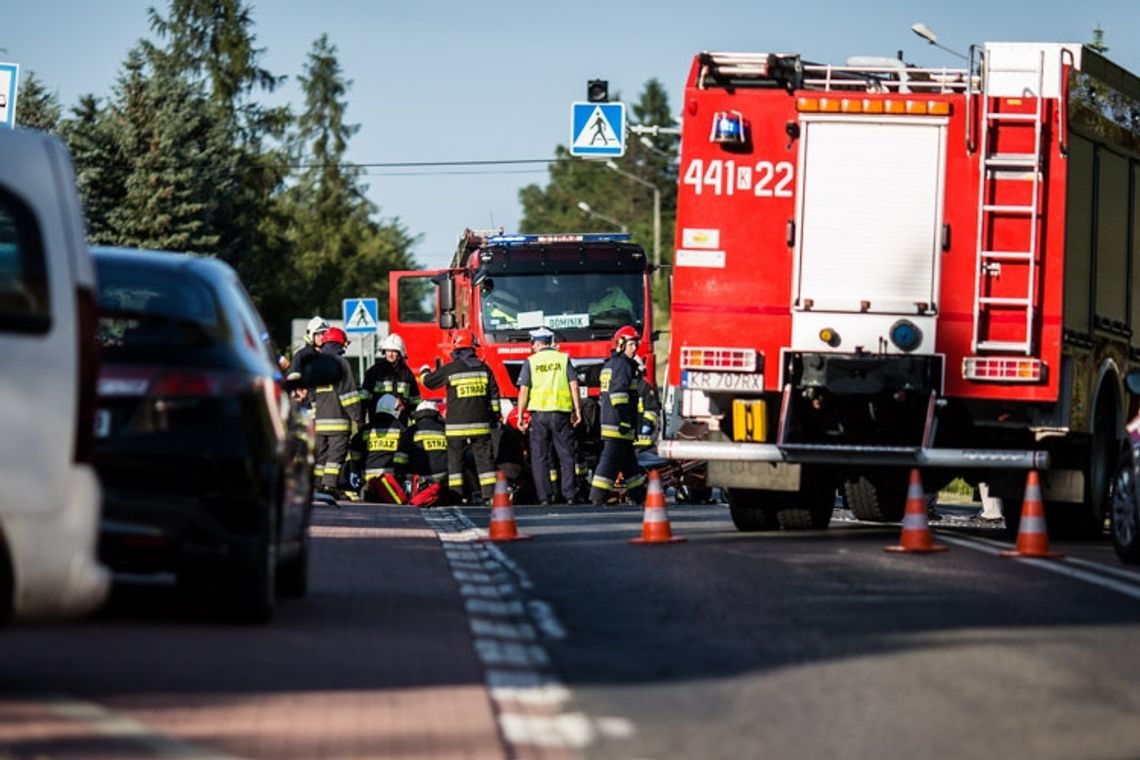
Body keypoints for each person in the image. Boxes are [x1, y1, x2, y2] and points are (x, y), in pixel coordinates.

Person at [419, 329, 501, 504]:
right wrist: (495, 416)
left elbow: (428, 382)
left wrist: (424, 370)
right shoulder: (484, 369)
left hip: (456, 426)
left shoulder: (451, 368)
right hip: (481, 424)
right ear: (473, 347)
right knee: (485, 461)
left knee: (455, 463)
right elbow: (494, 395)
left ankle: (456, 496)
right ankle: (490, 496)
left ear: (456, 347)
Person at [516, 327, 583, 505]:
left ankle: (544, 497)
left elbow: (524, 391)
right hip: (561, 413)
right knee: (566, 455)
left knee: (539, 457)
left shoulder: (531, 362)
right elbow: (574, 385)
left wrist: (520, 416)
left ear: (538, 343)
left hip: (539, 415)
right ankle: (569, 495)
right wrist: (577, 411)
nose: (532, 347)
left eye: (533, 344)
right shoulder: (563, 359)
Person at [589, 325, 647, 505]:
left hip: (615, 422)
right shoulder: (622, 365)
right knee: (609, 462)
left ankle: (640, 496)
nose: (635, 348)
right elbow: (619, 395)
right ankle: (597, 496)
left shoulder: (612, 364)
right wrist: (624, 421)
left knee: (630, 465)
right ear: (621, 344)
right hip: (617, 424)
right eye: (631, 344)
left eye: (636, 343)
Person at [312, 326, 364, 501]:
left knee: (320, 456)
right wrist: (359, 418)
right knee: (335, 457)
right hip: (338, 421)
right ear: (341, 343)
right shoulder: (340, 363)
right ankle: (329, 487)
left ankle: (317, 485)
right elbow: (348, 394)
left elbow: (311, 395)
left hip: (319, 422)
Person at [351, 393, 409, 504]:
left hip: (367, 478)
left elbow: (355, 453)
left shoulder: (366, 429)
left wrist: (354, 470)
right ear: (393, 409)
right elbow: (404, 457)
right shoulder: (400, 429)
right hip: (391, 481)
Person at [360, 333, 421, 425]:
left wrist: (405, 406)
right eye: (388, 351)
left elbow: (414, 402)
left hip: (400, 422)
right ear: (384, 352)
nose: (390, 354)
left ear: (400, 353)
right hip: (377, 422)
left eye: (394, 351)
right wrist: (361, 423)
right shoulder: (375, 372)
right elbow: (363, 400)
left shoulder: (407, 374)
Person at [403, 399, 449, 505]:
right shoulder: (445, 429)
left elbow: (400, 459)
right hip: (444, 478)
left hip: (420, 480)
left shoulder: (411, 430)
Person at [634, 356, 661, 449]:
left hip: (642, 440)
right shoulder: (624, 385)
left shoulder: (644, 387)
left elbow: (652, 410)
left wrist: (646, 426)